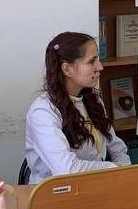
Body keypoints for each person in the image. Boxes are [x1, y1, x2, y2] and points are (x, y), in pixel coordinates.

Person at [25, 31, 131, 183]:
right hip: (54, 192)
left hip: (94, 185)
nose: (100, 67)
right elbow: (66, 169)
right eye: (92, 61)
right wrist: (114, 169)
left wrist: (125, 175)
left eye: (98, 59)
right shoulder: (42, 111)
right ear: (67, 69)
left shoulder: (93, 100)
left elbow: (117, 149)